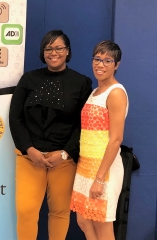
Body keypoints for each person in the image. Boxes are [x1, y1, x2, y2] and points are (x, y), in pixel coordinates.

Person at [9, 29, 92, 240]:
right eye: (48, 48)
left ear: (67, 51)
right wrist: (29, 149)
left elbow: (83, 125)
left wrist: (65, 153)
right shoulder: (28, 79)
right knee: (26, 211)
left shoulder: (81, 83)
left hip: (63, 160)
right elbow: (15, 117)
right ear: (43, 52)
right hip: (29, 157)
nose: (53, 52)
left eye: (58, 48)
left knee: (60, 212)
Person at [70, 41, 128, 240]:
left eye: (107, 60)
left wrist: (99, 178)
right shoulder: (95, 92)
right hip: (86, 166)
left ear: (116, 65)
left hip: (104, 171)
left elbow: (116, 139)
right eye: (97, 59)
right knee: (84, 221)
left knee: (102, 226)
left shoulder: (116, 93)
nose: (100, 65)